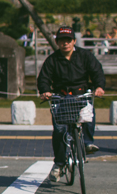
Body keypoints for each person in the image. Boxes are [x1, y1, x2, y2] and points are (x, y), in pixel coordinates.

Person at [37, 25, 106, 181]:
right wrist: (45, 91)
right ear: (57, 42)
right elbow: (44, 79)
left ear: (74, 41)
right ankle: (59, 163)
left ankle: (87, 143)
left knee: (88, 115)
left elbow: (97, 72)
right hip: (61, 97)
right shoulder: (52, 60)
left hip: (81, 95)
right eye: (62, 41)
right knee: (60, 130)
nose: (65, 44)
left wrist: (99, 87)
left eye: (68, 40)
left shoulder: (85, 56)